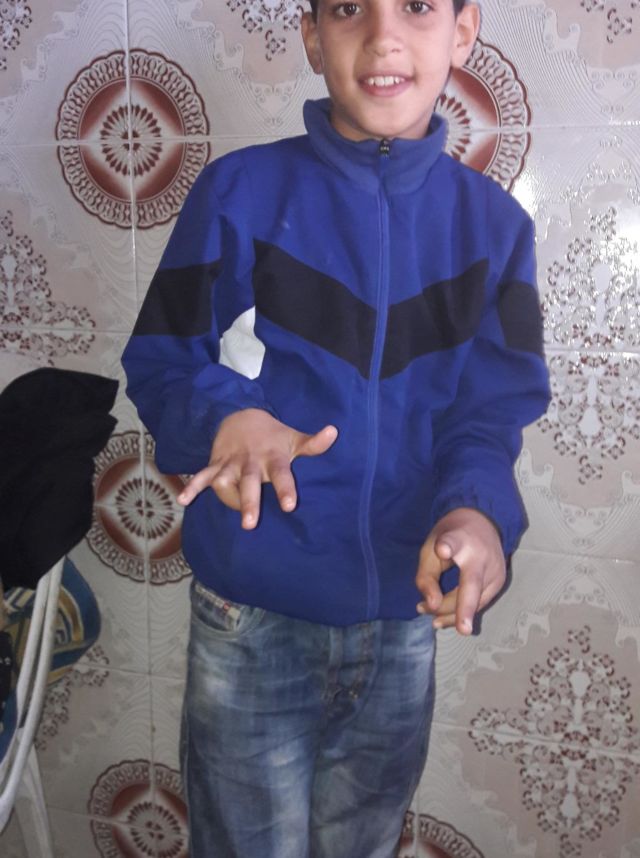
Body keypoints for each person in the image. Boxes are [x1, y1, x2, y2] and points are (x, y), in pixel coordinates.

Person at [122, 0, 550, 855]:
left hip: (400, 619)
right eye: (350, 9)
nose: (384, 36)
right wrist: (228, 418)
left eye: (417, 7)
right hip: (252, 618)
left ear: (464, 30)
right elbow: (160, 360)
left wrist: (477, 515)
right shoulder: (239, 193)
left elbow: (489, 414)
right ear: (313, 36)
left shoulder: (498, 233)